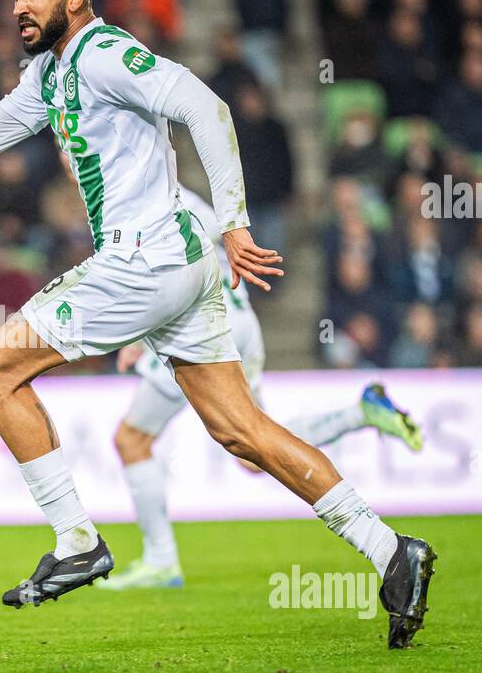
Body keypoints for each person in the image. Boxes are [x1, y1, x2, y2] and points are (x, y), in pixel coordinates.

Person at [0, 0, 436, 649]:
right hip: (179, 265)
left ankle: (76, 539)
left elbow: (208, 105)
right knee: (242, 432)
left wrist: (236, 223)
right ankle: (391, 552)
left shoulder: (103, 54)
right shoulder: (49, 76)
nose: (18, 7)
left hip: (148, 260)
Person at [108, 187, 423, 590]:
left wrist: (136, 334)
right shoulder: (184, 196)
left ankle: (160, 561)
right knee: (255, 453)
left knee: (132, 438)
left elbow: (156, 269)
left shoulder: (135, 191)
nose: (70, 156)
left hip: (196, 325)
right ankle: (360, 413)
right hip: (240, 321)